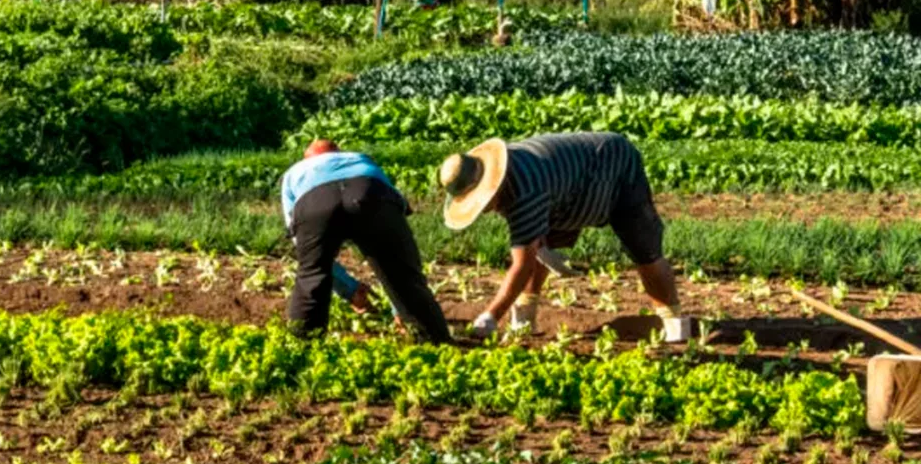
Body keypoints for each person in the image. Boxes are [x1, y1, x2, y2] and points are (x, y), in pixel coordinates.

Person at [438, 132, 681, 337]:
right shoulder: (511, 176)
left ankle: (674, 325)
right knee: (538, 245)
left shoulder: (525, 189)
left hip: (614, 164)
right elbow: (531, 243)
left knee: (644, 250)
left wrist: (490, 317)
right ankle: (525, 318)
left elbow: (522, 265)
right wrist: (541, 245)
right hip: (566, 184)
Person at [281, 139, 452, 343]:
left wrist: (349, 289)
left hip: (315, 203)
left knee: (312, 275)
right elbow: (398, 214)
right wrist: (399, 306)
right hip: (369, 191)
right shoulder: (359, 159)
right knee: (403, 274)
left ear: (307, 159)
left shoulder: (295, 172)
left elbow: (301, 244)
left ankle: (300, 349)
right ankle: (436, 345)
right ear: (339, 153)